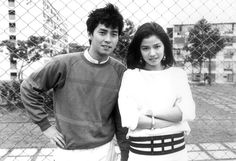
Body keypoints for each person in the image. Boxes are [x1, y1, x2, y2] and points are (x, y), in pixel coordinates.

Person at [20, 3, 129, 161]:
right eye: (102, 32)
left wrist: (125, 154)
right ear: (90, 34)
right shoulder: (63, 64)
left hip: (104, 150)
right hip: (68, 152)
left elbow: (121, 117)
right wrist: (45, 126)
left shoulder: (120, 71)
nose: (108, 39)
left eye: (114, 34)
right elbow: (28, 88)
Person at [118, 22, 195, 161]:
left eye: (157, 46)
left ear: (165, 46)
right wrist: (175, 120)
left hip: (176, 154)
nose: (152, 53)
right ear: (139, 50)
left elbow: (188, 112)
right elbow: (130, 118)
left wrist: (151, 113)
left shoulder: (178, 74)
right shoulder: (131, 76)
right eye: (145, 48)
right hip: (142, 154)